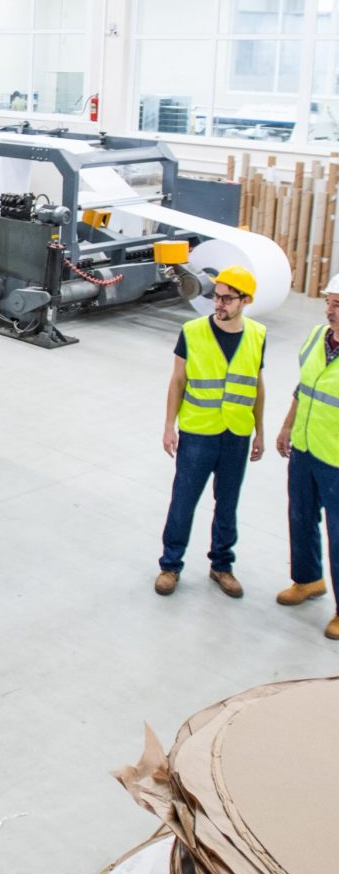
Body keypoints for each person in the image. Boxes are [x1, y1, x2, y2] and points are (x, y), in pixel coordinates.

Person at [155, 266, 266, 597]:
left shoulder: (257, 334)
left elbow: (256, 384)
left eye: (228, 299)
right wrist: (168, 426)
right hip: (198, 432)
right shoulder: (191, 331)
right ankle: (170, 565)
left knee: (228, 503)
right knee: (184, 500)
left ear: (245, 301)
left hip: (237, 434)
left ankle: (222, 566)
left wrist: (260, 431)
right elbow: (178, 380)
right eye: (217, 297)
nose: (219, 304)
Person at [275, 274, 339, 640]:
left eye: (338, 305)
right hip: (305, 447)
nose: (329, 311)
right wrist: (286, 427)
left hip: (336, 459)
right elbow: (305, 387)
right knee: (300, 517)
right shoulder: (317, 338)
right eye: (328, 303)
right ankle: (308, 580)